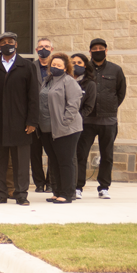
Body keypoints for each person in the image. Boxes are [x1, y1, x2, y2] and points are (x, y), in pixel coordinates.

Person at [0, 32, 39, 206]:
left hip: (21, 123)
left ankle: (21, 194)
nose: (7, 45)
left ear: (16, 45)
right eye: (3, 42)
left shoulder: (27, 66)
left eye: (10, 42)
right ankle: (0, 194)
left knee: (21, 163)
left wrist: (32, 121)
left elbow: (34, 95)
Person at [77, 38, 126, 199]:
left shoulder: (116, 70)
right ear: (90, 52)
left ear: (106, 51)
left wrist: (110, 107)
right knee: (81, 154)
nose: (98, 50)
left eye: (101, 48)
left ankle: (104, 187)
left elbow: (120, 93)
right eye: (94, 48)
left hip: (108, 120)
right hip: (87, 120)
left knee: (107, 155)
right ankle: (78, 186)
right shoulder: (84, 69)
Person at [39, 54, 84, 204]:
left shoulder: (69, 82)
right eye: (54, 64)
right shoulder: (47, 81)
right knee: (54, 161)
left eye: (59, 65)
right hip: (48, 129)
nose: (55, 67)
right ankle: (56, 191)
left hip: (66, 129)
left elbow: (73, 104)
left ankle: (67, 193)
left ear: (65, 68)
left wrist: (65, 122)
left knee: (65, 161)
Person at [69, 53, 97, 197]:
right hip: (65, 125)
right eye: (73, 62)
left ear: (85, 65)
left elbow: (89, 107)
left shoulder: (89, 84)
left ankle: (78, 186)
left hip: (82, 126)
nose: (76, 65)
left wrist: (77, 118)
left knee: (80, 156)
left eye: (79, 62)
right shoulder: (64, 81)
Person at [29, 37, 54, 193]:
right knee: (34, 152)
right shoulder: (30, 67)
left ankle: (51, 181)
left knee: (52, 152)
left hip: (52, 117)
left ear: (51, 49)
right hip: (34, 116)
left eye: (47, 46)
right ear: (36, 50)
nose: (43, 49)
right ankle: (39, 182)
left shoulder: (57, 67)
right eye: (40, 47)